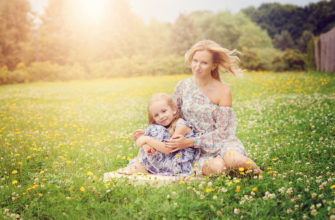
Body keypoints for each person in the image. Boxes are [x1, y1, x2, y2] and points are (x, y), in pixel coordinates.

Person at [165, 40, 262, 176]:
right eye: (195, 61)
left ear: (213, 65)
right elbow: (174, 117)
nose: (197, 66)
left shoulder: (223, 91)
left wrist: (190, 141)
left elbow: (224, 132)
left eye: (204, 63)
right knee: (218, 168)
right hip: (196, 150)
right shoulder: (182, 86)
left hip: (222, 142)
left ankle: (261, 176)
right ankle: (231, 173)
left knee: (235, 161)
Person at [118, 93, 198, 175]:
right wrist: (145, 140)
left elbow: (168, 149)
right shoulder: (163, 128)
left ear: (174, 109)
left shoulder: (181, 126)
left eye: (164, 111)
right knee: (152, 131)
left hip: (179, 166)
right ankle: (138, 165)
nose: (161, 116)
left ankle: (139, 166)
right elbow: (144, 142)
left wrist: (147, 139)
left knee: (153, 130)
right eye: (156, 115)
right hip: (170, 161)